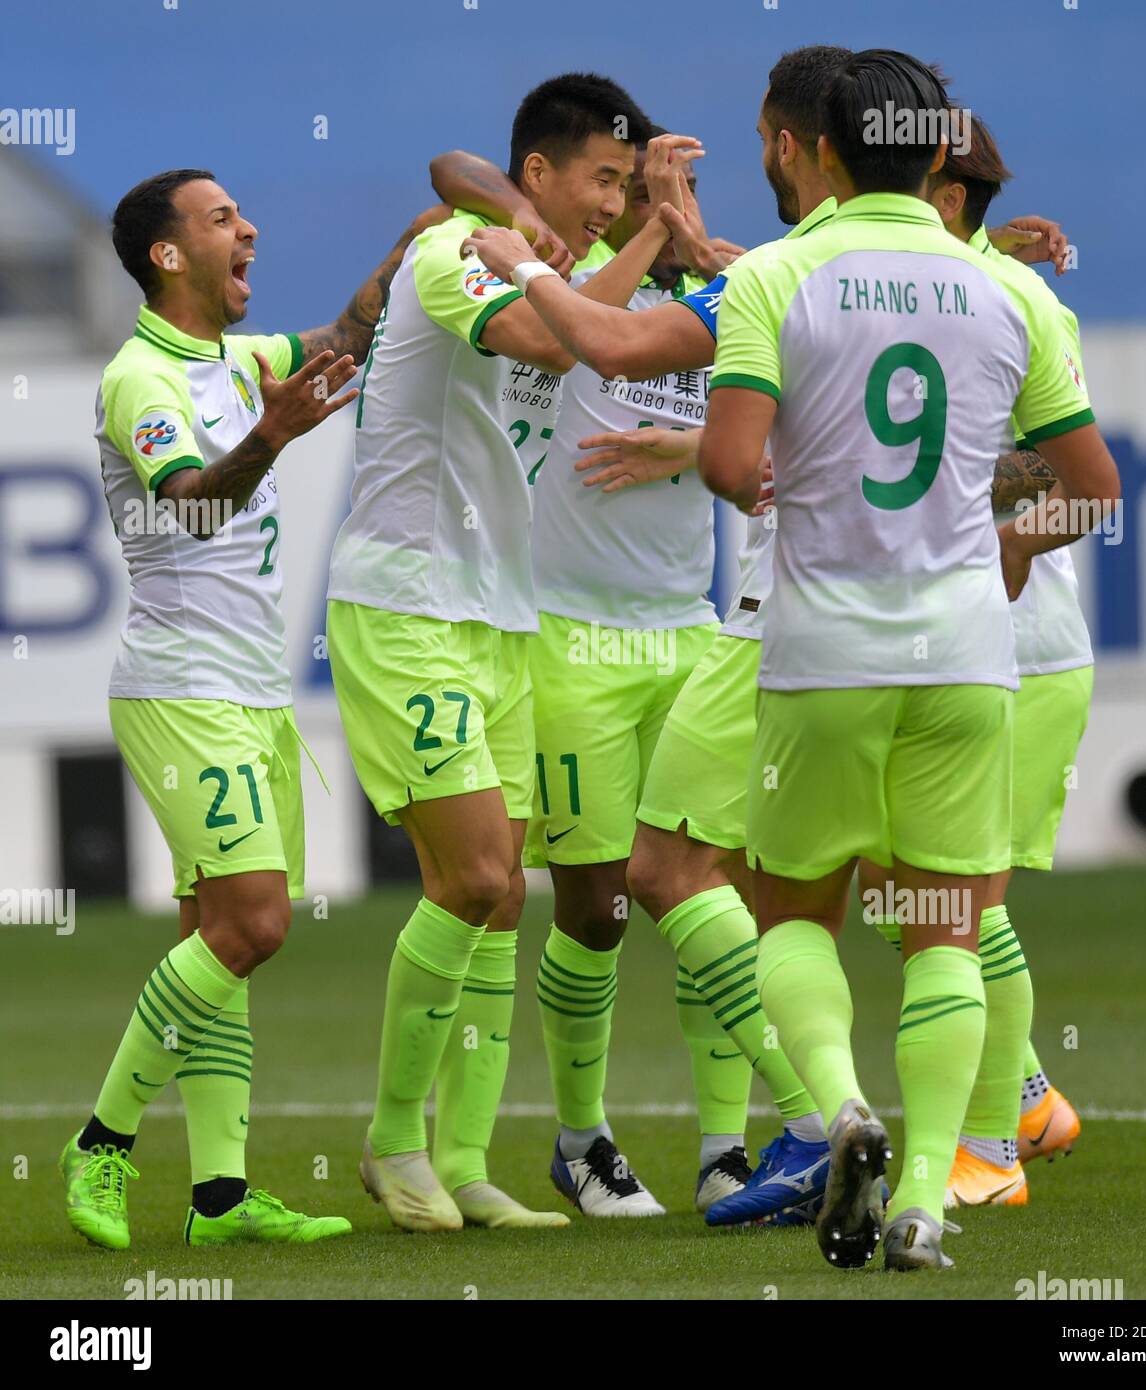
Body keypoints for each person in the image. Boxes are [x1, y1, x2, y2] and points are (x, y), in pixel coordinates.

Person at [696, 48, 1119, 1271]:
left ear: (817, 150)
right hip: (965, 659)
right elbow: (1088, 486)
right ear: (937, 156)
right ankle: (931, 1191)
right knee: (945, 923)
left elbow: (730, 467)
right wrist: (995, 550)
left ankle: (837, 1109)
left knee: (793, 910)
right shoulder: (1009, 293)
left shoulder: (776, 274)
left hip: (822, 647)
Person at [325, 73, 693, 1232]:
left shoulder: (546, 262)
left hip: (498, 616)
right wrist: (628, 240)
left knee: (501, 905)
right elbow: (562, 335)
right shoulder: (453, 255)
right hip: (405, 604)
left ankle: (470, 1159)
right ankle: (394, 1143)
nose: (611, 201)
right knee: (476, 875)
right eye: (601, 179)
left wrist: (642, 234)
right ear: (537, 173)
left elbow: (603, 330)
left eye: (624, 186)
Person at [66, 167, 419, 1249]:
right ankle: (103, 1143)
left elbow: (338, 342)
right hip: (183, 691)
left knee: (220, 937)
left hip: (253, 693)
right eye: (221, 219)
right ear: (168, 255)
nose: (248, 227)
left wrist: (411, 250)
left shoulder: (241, 359)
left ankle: (218, 1196)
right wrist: (272, 438)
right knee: (257, 920)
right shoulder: (140, 378)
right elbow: (189, 502)